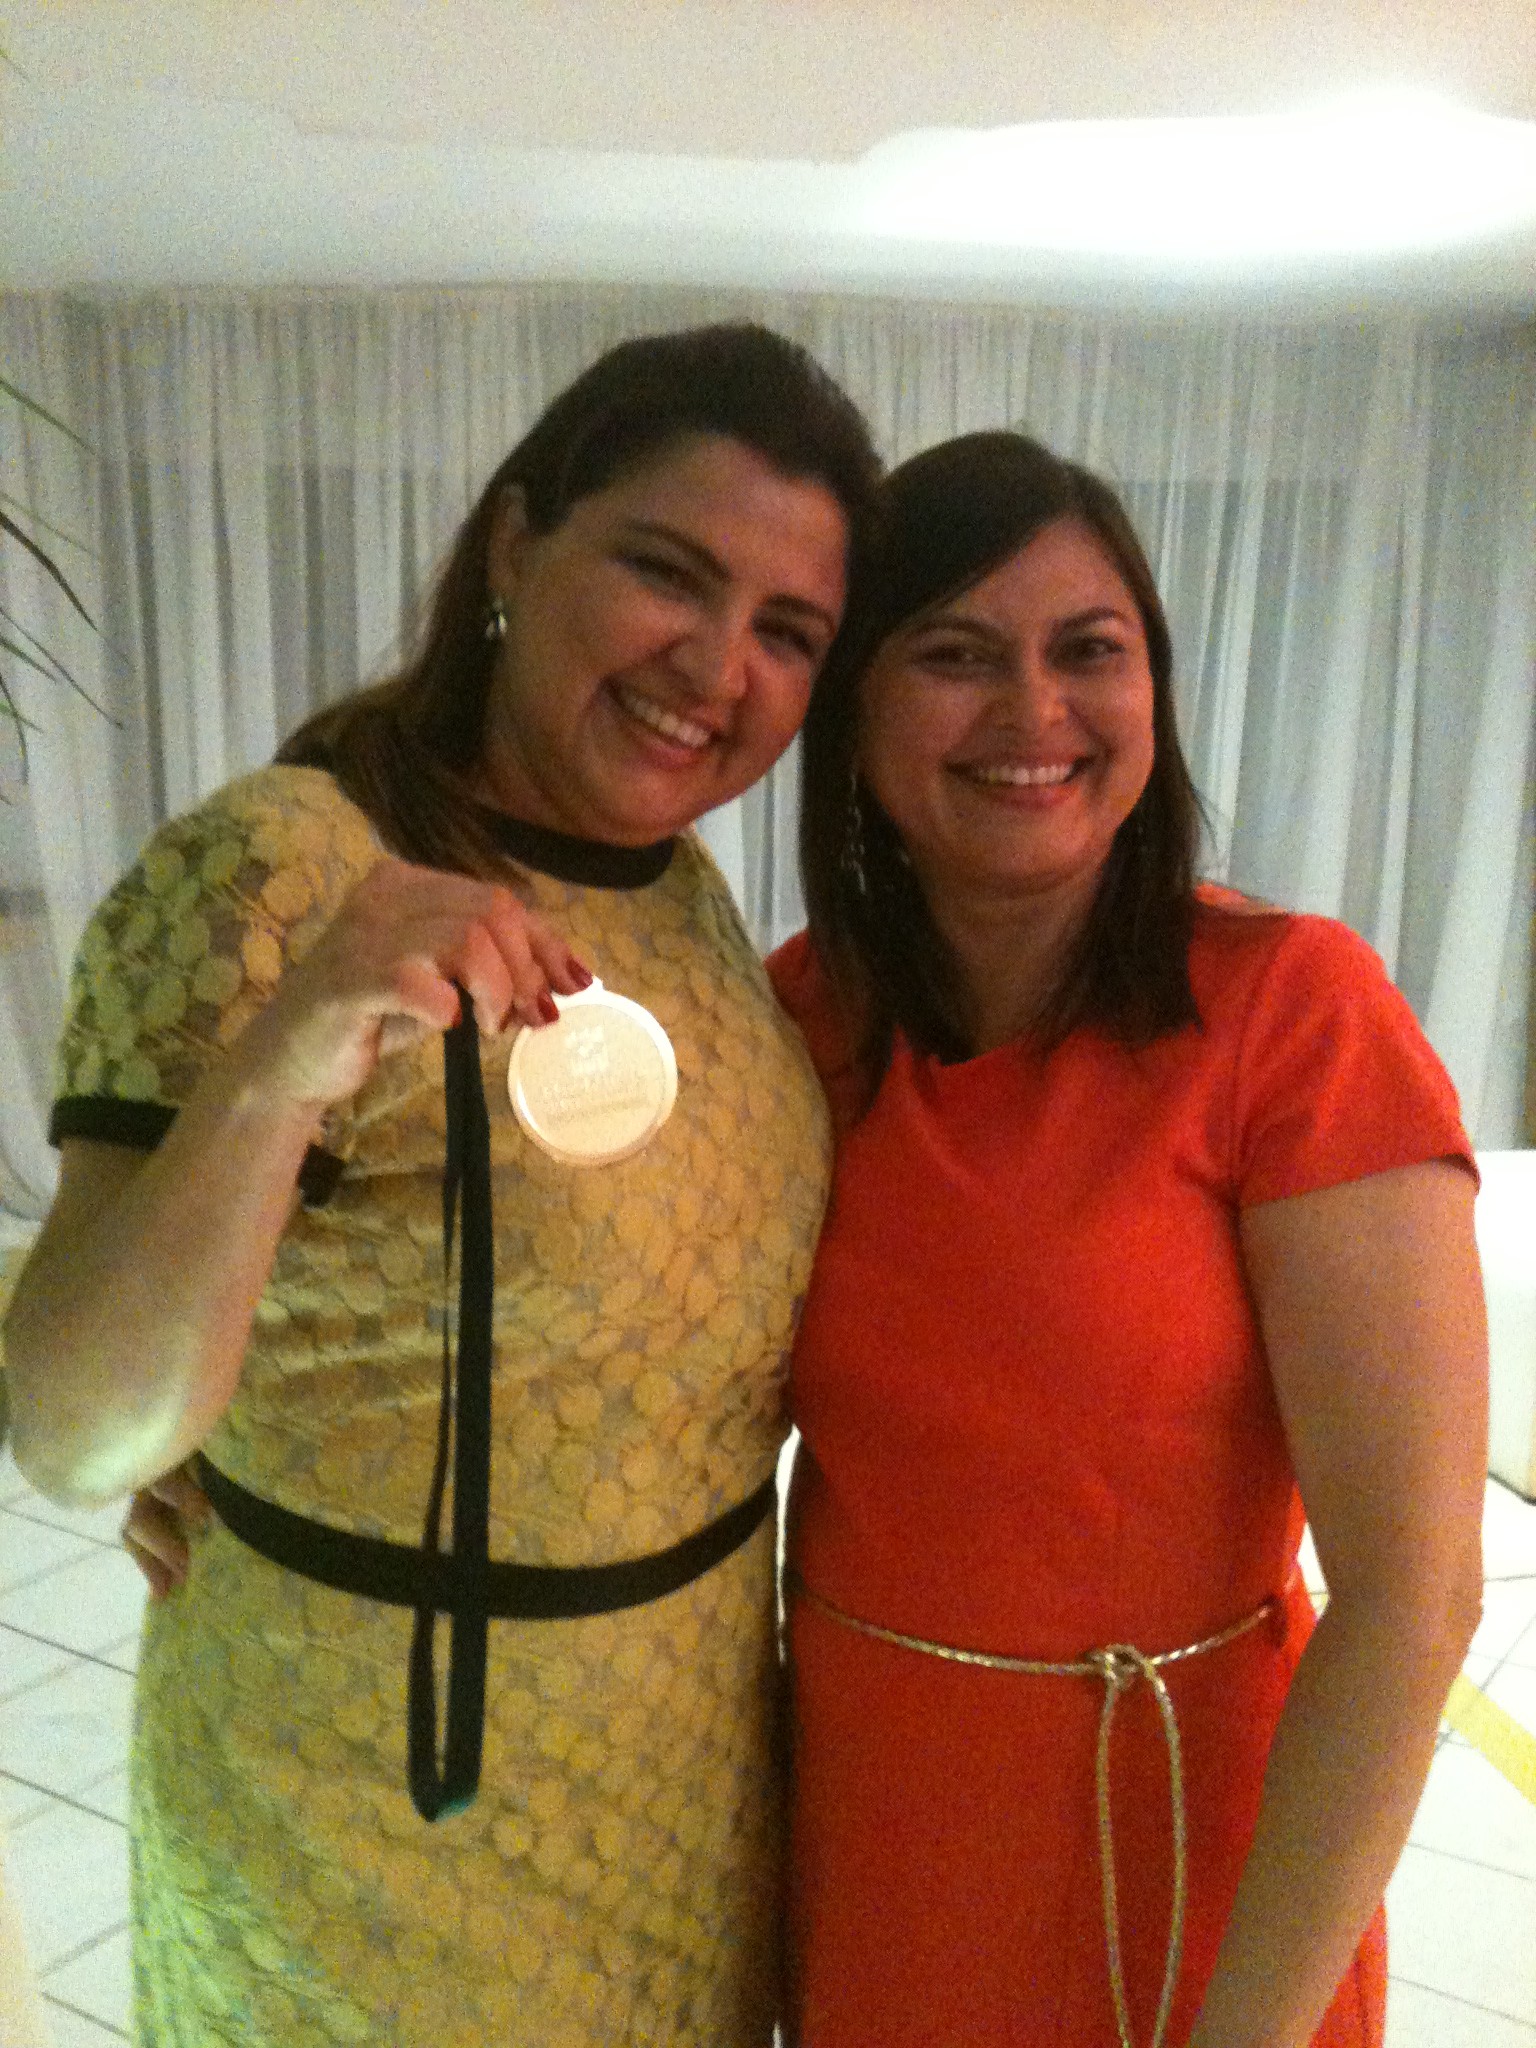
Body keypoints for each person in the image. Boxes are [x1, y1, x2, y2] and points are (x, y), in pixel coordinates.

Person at [4, 322, 881, 2048]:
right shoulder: (277, 865)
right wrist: (288, 1057)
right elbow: (72, 1433)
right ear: (514, 544)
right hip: (376, 1816)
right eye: (667, 572)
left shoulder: (688, 897)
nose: (717, 665)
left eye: (789, 631)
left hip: (691, 1779)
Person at [767, 431, 1487, 2048]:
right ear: (854, 713)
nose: (1033, 711)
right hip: (873, 1833)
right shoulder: (794, 1022)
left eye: (1088, 651)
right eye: (955, 655)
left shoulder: (1292, 1012)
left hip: (1178, 1842)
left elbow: (1415, 1600)